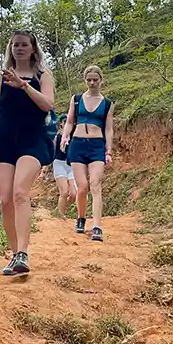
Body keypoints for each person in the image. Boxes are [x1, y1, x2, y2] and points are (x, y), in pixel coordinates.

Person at [0, 31, 55, 275]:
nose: (19, 48)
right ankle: (15, 255)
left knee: (20, 191)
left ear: (33, 48)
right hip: (4, 140)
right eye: (15, 45)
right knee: (6, 199)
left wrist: (23, 86)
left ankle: (23, 252)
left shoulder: (43, 76)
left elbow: (48, 104)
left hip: (32, 139)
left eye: (24, 44)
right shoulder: (2, 78)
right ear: (11, 49)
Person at [61, 65, 114, 242]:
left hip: (97, 145)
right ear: (85, 80)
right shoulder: (76, 100)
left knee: (95, 184)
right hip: (77, 144)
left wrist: (109, 150)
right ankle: (81, 217)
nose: (92, 83)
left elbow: (109, 129)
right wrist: (65, 135)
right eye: (89, 80)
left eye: (95, 80)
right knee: (82, 187)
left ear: (101, 80)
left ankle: (97, 225)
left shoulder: (107, 104)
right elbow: (69, 121)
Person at [51, 112, 76, 216]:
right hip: (59, 163)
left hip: (70, 165)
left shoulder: (74, 136)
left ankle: (59, 210)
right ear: (61, 124)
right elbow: (52, 150)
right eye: (65, 122)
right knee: (64, 192)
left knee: (74, 194)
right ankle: (61, 216)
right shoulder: (56, 136)